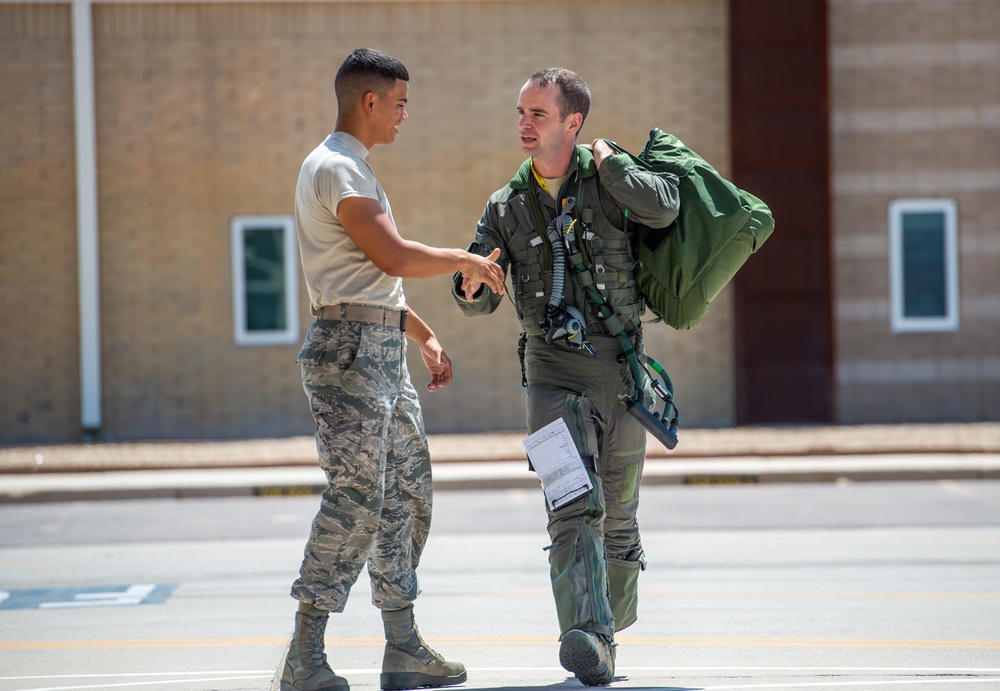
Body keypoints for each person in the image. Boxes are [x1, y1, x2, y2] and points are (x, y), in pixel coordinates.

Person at [282, 48, 505, 691]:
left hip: (381, 351)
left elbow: (372, 279)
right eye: (400, 104)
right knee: (355, 498)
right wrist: (465, 260)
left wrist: (425, 334)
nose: (405, 116)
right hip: (348, 355)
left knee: (407, 495)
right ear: (369, 101)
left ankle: (402, 646)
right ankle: (305, 652)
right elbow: (392, 255)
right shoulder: (336, 168)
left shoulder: (357, 168)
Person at [452, 68, 680, 686]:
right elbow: (477, 295)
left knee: (620, 518)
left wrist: (614, 165)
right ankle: (587, 635)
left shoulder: (610, 182)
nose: (525, 124)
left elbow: (664, 209)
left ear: (572, 123)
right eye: (521, 113)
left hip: (622, 374)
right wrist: (470, 285)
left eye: (539, 114)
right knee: (570, 508)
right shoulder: (505, 205)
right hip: (550, 378)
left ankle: (611, 627)